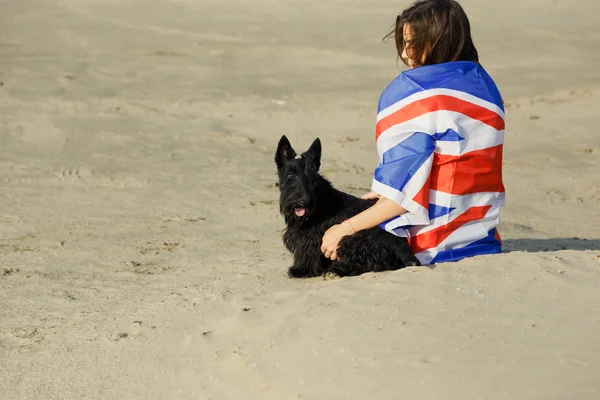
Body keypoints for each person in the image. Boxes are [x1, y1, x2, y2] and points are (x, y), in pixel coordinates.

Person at [321, 0, 505, 265]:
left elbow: (403, 201)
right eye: (404, 42)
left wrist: (345, 229)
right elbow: (456, 163)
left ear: (439, 41)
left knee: (325, 234)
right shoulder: (484, 88)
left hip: (429, 246)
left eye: (412, 43)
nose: (407, 54)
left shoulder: (414, 93)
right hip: (480, 238)